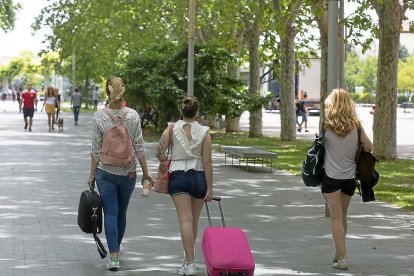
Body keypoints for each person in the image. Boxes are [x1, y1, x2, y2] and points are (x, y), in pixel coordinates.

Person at [87, 76, 153, 271]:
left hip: (105, 172)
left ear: (107, 92)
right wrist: (147, 173)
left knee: (111, 212)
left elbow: (95, 150)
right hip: (128, 173)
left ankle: (114, 256)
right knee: (121, 212)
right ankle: (117, 247)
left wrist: (91, 175)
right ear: (123, 90)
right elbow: (139, 146)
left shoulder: (99, 116)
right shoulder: (132, 115)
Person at [155, 96, 213, 276]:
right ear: (197, 113)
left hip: (179, 176)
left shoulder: (172, 128)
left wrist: (165, 161)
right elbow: (208, 162)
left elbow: (159, 151)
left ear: (181, 111)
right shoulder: (205, 132)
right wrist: (210, 188)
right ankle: (190, 260)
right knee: (194, 220)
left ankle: (189, 263)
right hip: (199, 177)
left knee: (185, 220)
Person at [322, 88, 373, 270]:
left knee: (335, 216)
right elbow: (369, 147)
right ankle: (339, 252)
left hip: (330, 177)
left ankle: (342, 258)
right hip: (349, 178)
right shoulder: (356, 125)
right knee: (342, 215)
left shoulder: (326, 124)